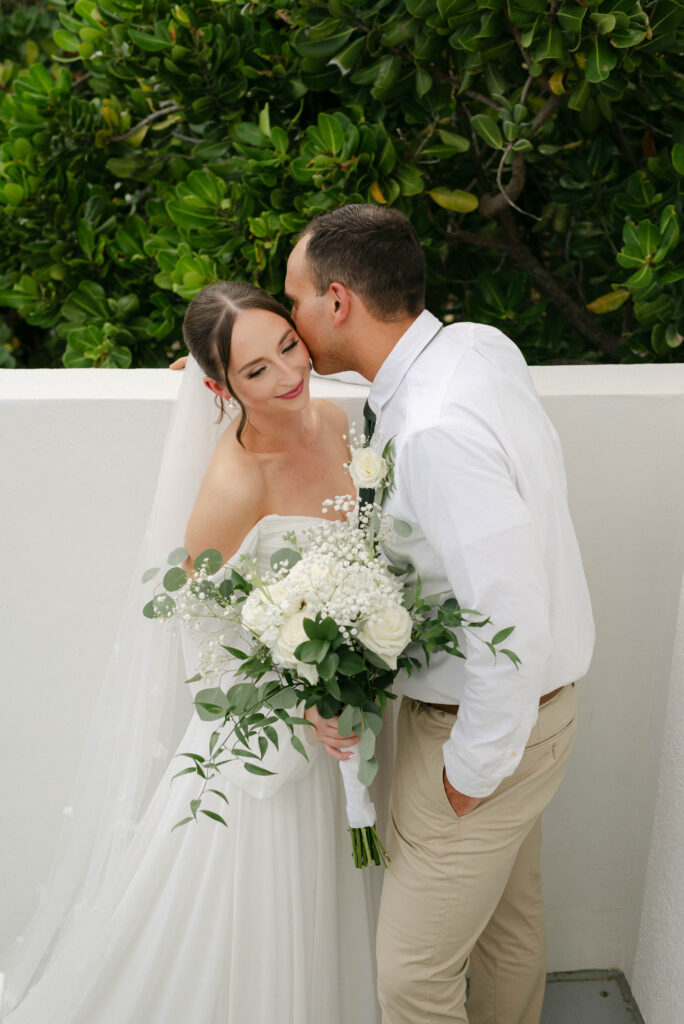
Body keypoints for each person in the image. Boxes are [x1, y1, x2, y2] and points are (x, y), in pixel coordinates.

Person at [1, 282, 387, 1024]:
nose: (287, 375)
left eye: (287, 346)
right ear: (219, 386)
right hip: (271, 745)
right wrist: (301, 699)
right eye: (255, 372)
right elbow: (200, 626)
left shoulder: (336, 418)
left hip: (344, 719)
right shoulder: (234, 481)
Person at [284, 203, 595, 1024]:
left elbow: (507, 612)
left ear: (338, 301)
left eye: (295, 303)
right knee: (508, 931)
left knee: (413, 980)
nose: (292, 320)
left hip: (484, 728)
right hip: (540, 714)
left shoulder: (434, 429)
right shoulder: (475, 347)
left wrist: (469, 774)